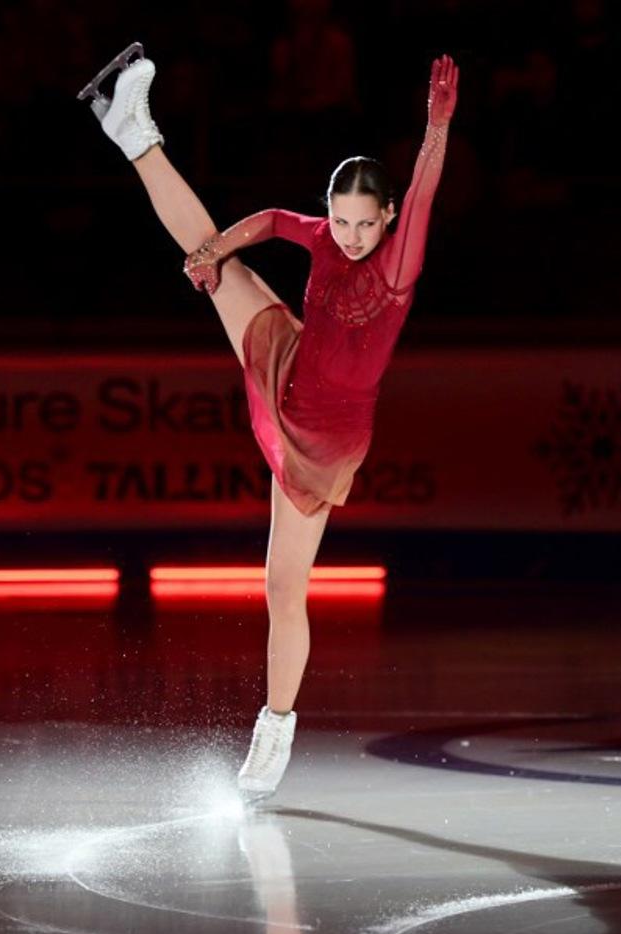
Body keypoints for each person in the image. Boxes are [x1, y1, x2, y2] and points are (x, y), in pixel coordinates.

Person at [79, 44, 458, 801]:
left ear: (387, 220)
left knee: (284, 589)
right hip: (288, 361)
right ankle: (131, 132)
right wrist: (219, 248)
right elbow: (277, 222)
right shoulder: (321, 235)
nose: (350, 236)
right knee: (208, 256)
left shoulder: (396, 264)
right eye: (342, 221)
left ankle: (276, 723)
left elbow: (422, 190)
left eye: (364, 223)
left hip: (322, 439)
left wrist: (436, 126)